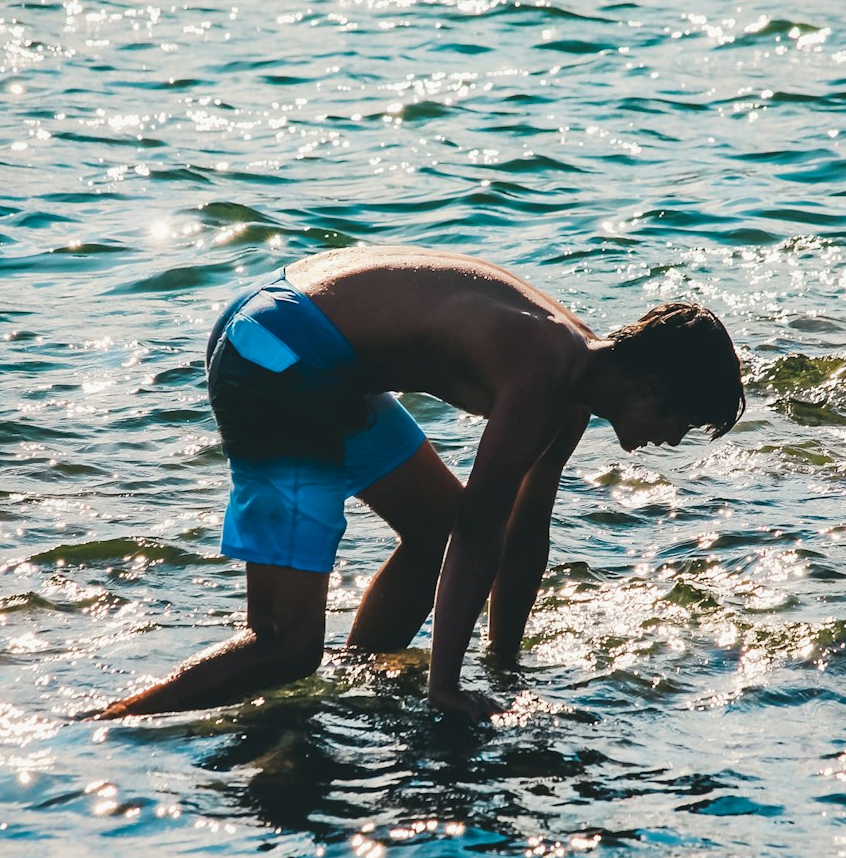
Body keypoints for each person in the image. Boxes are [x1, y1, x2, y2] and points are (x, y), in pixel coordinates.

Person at [102, 246, 744, 722]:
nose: (676, 439)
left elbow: (523, 538)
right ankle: (103, 731)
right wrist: (447, 688)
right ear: (653, 385)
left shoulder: (575, 380)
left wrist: (504, 667)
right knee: (286, 645)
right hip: (279, 355)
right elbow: (481, 532)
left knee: (432, 522)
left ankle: (358, 680)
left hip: (302, 339)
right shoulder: (546, 372)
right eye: (684, 420)